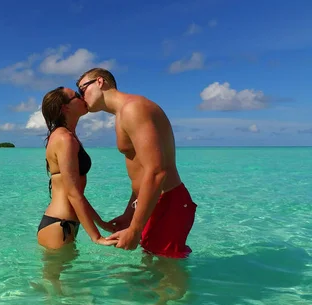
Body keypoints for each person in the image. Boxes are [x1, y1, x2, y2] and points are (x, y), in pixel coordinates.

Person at [76, 68, 197, 259]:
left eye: (82, 89)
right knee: (154, 272)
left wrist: (135, 229)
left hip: (167, 202)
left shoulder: (133, 108)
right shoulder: (122, 114)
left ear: (100, 82)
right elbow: (141, 171)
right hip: (153, 202)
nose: (80, 97)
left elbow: (157, 171)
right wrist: (129, 214)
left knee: (167, 276)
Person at [37, 86, 116, 250]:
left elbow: (76, 192)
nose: (83, 97)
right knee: (52, 277)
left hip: (64, 224)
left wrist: (102, 223)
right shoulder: (64, 139)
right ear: (65, 107)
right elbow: (73, 193)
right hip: (59, 225)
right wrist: (96, 237)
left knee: (63, 276)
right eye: (77, 96)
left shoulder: (68, 136)